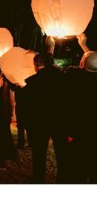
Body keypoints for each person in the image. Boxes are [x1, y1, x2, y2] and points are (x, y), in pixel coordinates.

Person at [19, 36, 69, 183]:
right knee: (61, 154)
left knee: (39, 154)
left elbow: (26, 108)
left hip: (39, 125)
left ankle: (39, 179)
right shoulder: (60, 78)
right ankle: (63, 180)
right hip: (59, 122)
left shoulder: (31, 83)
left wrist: (28, 126)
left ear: (35, 66)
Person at [60, 33, 97, 183]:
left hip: (78, 136)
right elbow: (92, 62)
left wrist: (50, 50)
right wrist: (84, 46)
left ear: (81, 64)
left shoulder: (73, 76)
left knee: (76, 175)